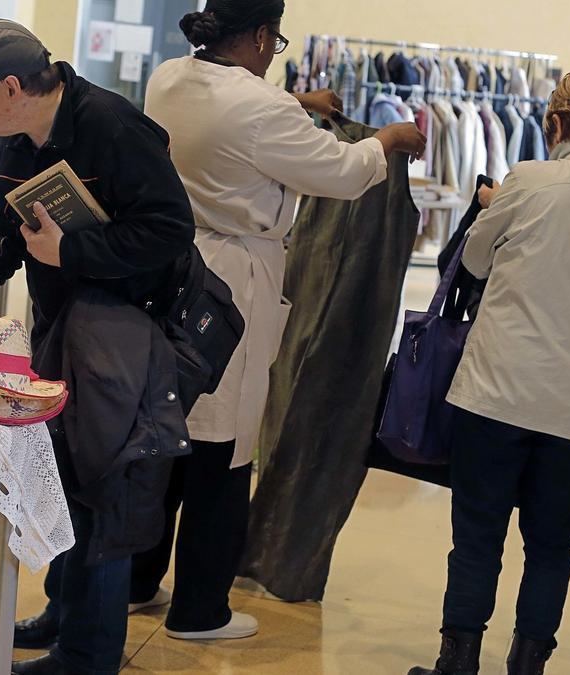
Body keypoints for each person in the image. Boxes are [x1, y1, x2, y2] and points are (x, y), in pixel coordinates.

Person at [133, 0, 426, 640]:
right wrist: (388, 140)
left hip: (171, 266)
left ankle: (136, 579)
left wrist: (298, 103)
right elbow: (342, 173)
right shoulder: (262, 110)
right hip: (232, 278)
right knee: (224, 443)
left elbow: (235, 114)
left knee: (168, 426)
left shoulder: (169, 78)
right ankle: (199, 609)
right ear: (263, 36)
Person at [0, 19, 196, 675]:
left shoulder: (113, 127)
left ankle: (88, 653)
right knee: (58, 470)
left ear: (12, 87)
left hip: (127, 333)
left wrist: (74, 250)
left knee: (103, 481)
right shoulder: (15, 139)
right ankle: (63, 611)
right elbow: (7, 229)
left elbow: (169, 231)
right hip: (61, 323)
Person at [409, 72, 570, 675]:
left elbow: (474, 260)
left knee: (477, 535)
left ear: (555, 124)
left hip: (494, 394)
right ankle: (528, 665)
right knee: (552, 544)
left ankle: (457, 663)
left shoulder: (526, 182)